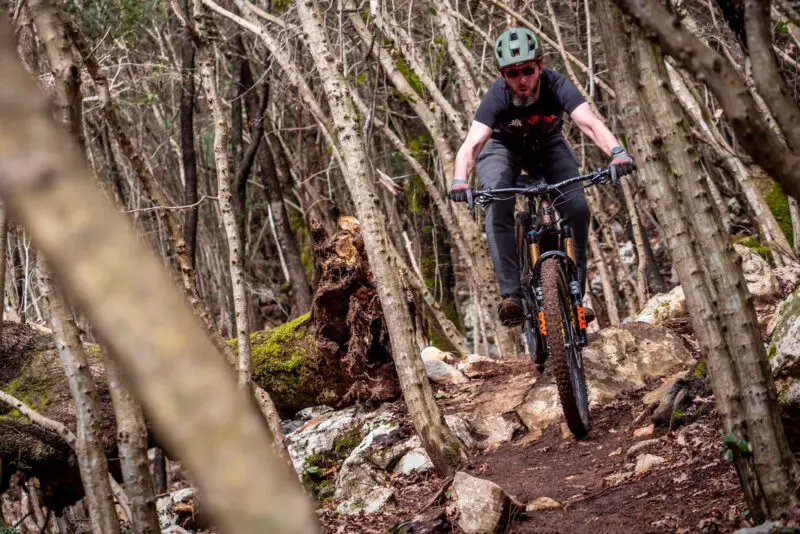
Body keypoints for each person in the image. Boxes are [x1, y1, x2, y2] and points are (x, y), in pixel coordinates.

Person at [449, 27, 634, 324]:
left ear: (540, 66)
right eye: (512, 73)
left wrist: (617, 152)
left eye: (527, 70)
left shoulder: (556, 85)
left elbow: (589, 123)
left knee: (577, 208)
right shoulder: (497, 96)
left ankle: (574, 293)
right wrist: (460, 179)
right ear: (502, 74)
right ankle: (512, 296)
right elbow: (472, 144)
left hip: (547, 144)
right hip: (502, 148)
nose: (521, 80)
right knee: (497, 203)